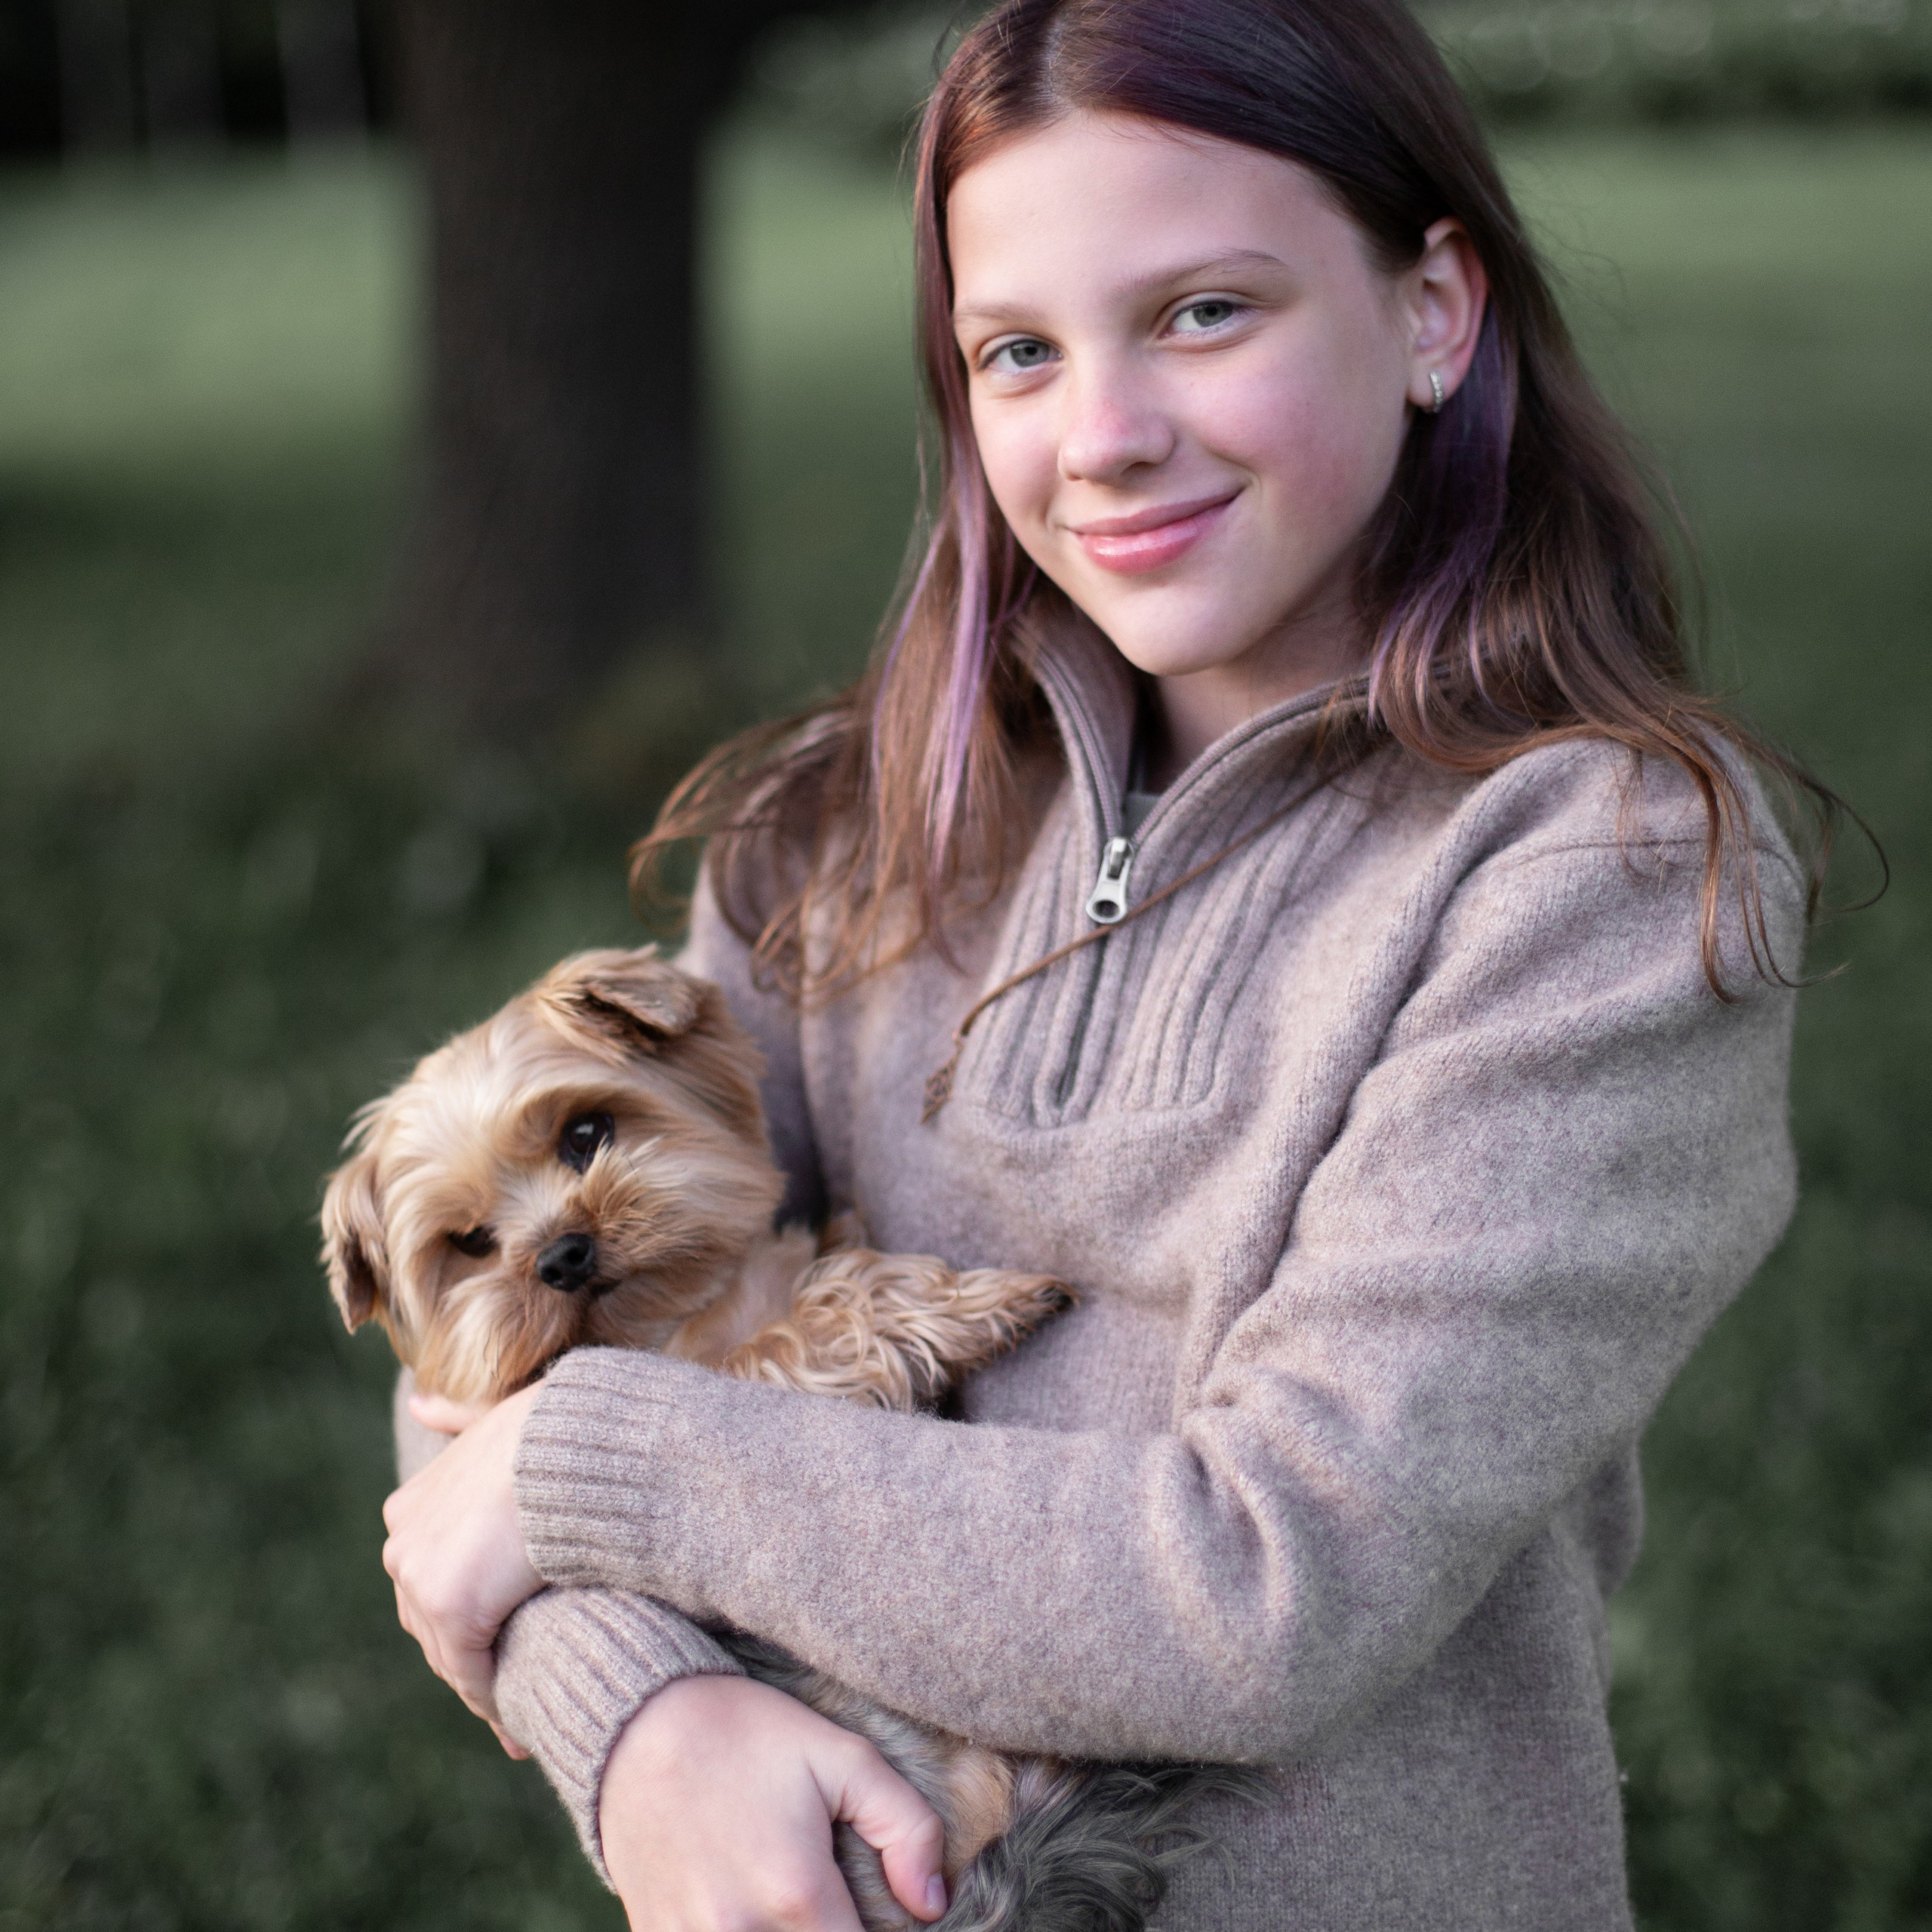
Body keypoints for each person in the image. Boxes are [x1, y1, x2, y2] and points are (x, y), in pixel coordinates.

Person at [378, 1, 1835, 1926]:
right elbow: (469, 1389)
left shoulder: (1599, 878)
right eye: (1018, 351)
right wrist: (641, 1722)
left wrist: (595, 1474)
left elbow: (1258, 1588)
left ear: (1430, 311)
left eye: (1204, 312)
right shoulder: (847, 821)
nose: (1104, 436)